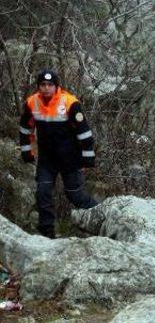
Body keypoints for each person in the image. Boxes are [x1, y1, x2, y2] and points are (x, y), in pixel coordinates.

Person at [19, 69, 99, 238]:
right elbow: (25, 129)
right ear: (38, 86)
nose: (46, 88)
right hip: (47, 160)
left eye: (50, 85)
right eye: (43, 84)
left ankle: (102, 217)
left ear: (56, 86)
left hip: (70, 159)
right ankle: (47, 233)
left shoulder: (70, 103)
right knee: (43, 192)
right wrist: (27, 152)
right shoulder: (32, 103)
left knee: (75, 195)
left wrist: (88, 159)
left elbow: (85, 133)